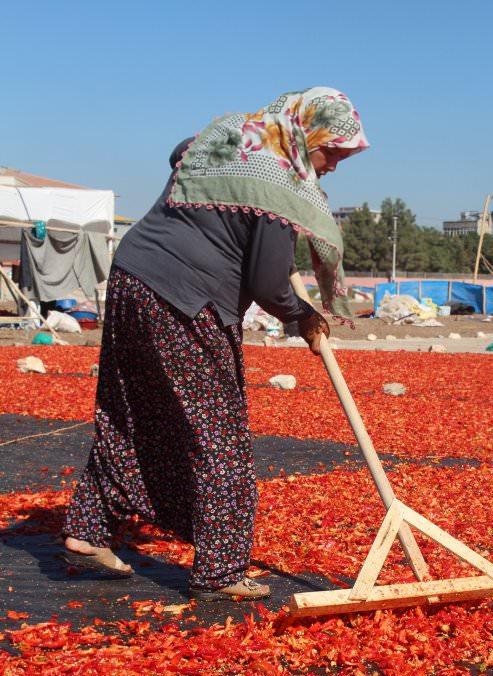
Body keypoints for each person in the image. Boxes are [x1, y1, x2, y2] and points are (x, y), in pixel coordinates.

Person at [62, 87, 369, 600]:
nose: (335, 165)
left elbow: (178, 149)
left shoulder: (227, 141)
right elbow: (270, 283)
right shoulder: (278, 181)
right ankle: (221, 569)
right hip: (187, 301)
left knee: (132, 410)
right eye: (332, 152)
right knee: (219, 435)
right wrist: (304, 317)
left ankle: (89, 528)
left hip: (132, 278)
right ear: (308, 135)